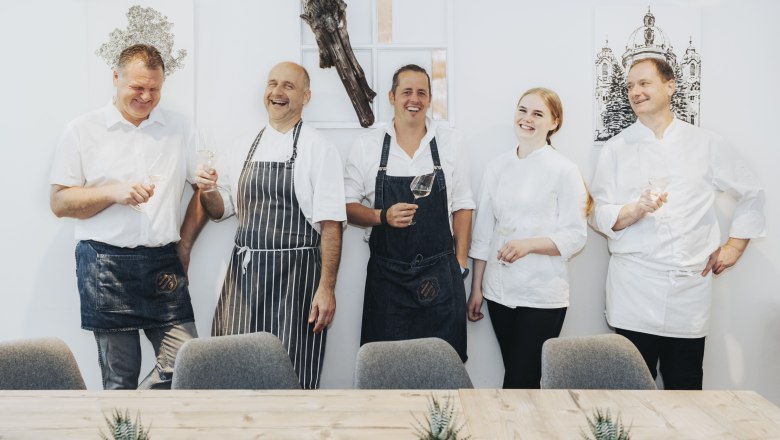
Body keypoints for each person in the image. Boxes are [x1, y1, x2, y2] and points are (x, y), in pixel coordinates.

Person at [589, 57, 766, 389]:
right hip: (634, 289)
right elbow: (598, 213)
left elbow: (752, 191)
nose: (635, 92)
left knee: (685, 387)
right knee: (631, 390)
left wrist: (735, 246)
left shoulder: (706, 144)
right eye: (629, 86)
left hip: (688, 291)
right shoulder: (615, 148)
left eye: (644, 83)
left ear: (670, 86)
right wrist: (635, 210)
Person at [49, 44, 204, 390]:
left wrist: (186, 244)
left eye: (154, 88)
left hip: (163, 261)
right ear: (116, 78)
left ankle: (137, 414)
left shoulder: (180, 127)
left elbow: (202, 191)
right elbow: (59, 203)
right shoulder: (82, 129)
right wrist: (112, 192)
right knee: (120, 378)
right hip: (104, 263)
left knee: (187, 363)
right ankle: (126, 425)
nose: (146, 96)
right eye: (137, 87)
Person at [196, 61, 345, 389]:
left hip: (297, 280)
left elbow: (332, 225)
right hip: (243, 277)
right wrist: (207, 191)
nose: (277, 92)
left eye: (288, 86)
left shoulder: (320, 149)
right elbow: (220, 211)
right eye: (272, 84)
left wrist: (327, 288)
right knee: (230, 370)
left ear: (306, 96)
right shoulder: (242, 145)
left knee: (291, 376)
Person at [344, 64, 474, 361]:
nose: (413, 99)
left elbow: (463, 205)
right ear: (391, 96)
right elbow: (347, 206)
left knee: (444, 367)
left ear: (429, 99)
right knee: (385, 368)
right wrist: (382, 216)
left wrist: (460, 262)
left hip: (440, 277)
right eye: (406, 92)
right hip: (387, 280)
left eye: (421, 93)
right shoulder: (368, 146)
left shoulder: (451, 143)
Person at [467, 88, 589, 388]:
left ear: (554, 123)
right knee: (520, 380)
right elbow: (483, 233)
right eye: (522, 110)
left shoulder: (564, 170)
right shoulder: (497, 166)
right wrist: (477, 289)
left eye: (537, 114)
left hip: (542, 295)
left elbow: (576, 236)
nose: (527, 119)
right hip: (499, 292)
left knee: (521, 381)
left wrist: (528, 245)